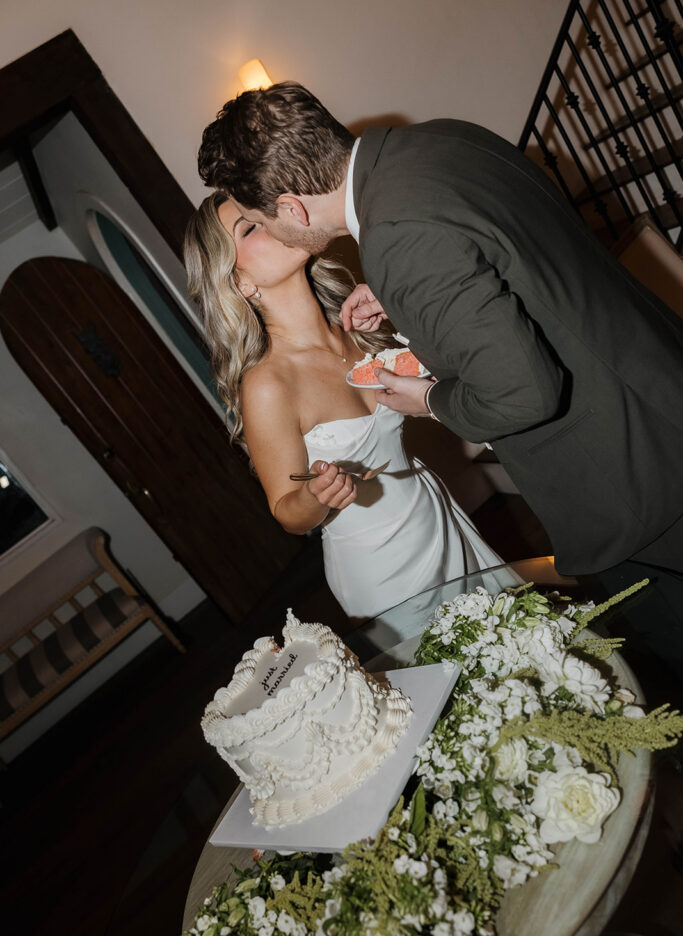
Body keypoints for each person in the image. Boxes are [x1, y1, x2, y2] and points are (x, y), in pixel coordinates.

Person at [196, 82, 683, 678]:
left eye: (259, 217)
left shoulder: (392, 257)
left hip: (627, 478)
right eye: (247, 229)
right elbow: (493, 269)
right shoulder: (439, 139)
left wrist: (429, 396)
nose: (267, 230)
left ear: (293, 207)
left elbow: (518, 386)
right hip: (653, 391)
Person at [183, 193, 502, 621]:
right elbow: (286, 511)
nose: (272, 220)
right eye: (250, 226)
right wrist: (317, 495)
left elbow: (446, 384)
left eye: (263, 212)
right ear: (240, 282)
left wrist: (404, 318)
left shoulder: (353, 326)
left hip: (438, 519)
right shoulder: (266, 384)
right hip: (385, 572)